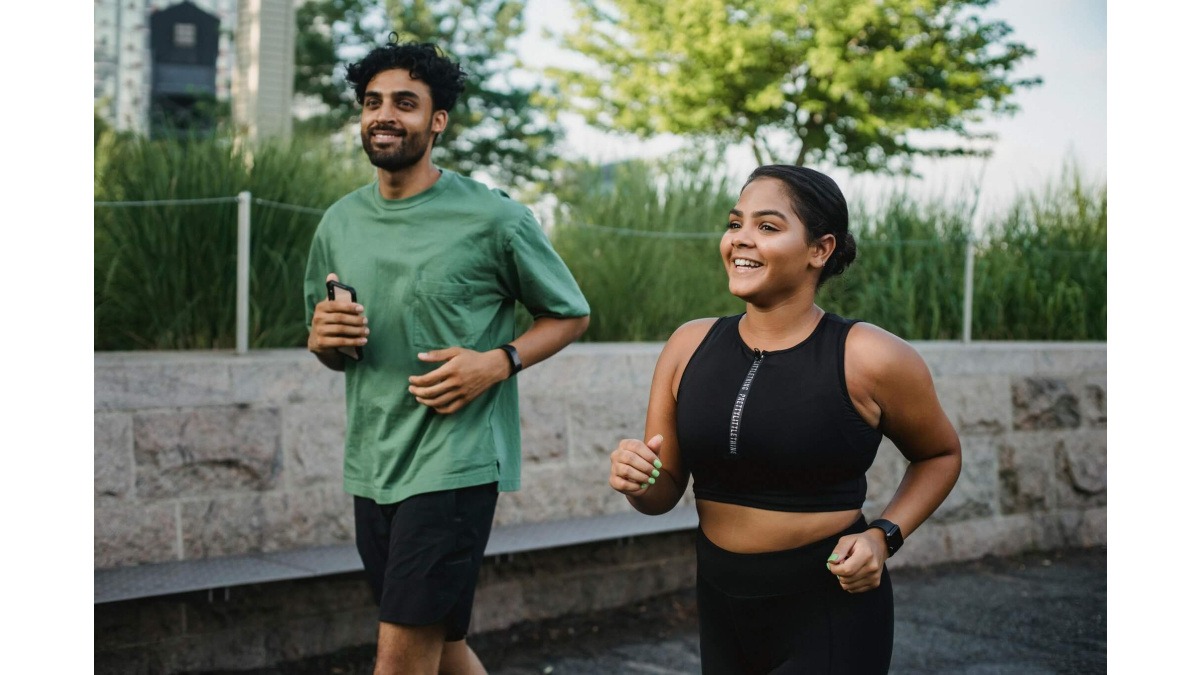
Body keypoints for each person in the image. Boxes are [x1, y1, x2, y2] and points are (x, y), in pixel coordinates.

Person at [304, 40, 590, 675]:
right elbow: (329, 347)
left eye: (405, 103)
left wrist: (498, 361)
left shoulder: (495, 218)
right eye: (373, 102)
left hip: (455, 466)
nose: (384, 115)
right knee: (442, 646)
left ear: (437, 122)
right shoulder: (338, 223)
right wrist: (323, 341)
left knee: (400, 657)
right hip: (373, 464)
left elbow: (570, 313)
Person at [608, 164, 961, 674]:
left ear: (820, 249)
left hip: (829, 608)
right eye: (735, 224)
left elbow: (940, 455)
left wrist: (883, 536)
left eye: (767, 227)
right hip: (722, 608)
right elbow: (662, 496)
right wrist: (636, 479)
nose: (741, 240)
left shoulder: (870, 356)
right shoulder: (688, 345)